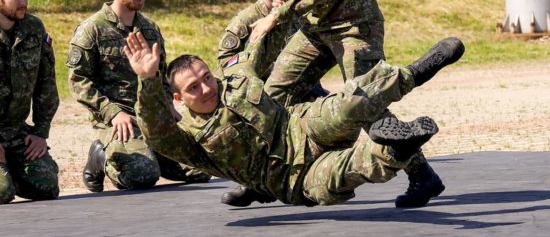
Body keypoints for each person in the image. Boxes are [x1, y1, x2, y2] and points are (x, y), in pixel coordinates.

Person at [251, 0, 443, 208]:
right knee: (274, 95)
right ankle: (266, 176)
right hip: (317, 30)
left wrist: (275, 16)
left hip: (354, 27)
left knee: (364, 100)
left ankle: (421, 175)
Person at [126, 30, 464, 207]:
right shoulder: (189, 141)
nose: (206, 88)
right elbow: (155, 130)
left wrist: (282, 0)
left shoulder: (238, 79)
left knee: (348, 104)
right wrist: (146, 79)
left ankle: (415, 72)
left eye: (206, 77)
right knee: (344, 171)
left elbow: (261, 42)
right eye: (193, 87)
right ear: (178, 98)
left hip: (300, 125)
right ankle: (397, 149)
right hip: (294, 178)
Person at [67, 0, 210, 192]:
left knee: (202, 169)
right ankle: (101, 155)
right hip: (118, 122)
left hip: (150, 118)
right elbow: (78, 81)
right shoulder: (92, 29)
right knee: (141, 175)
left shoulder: (149, 29)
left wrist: (166, 106)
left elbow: (161, 75)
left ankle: (148, 152)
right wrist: (113, 113)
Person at [216, 0, 330, 206]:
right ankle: (255, 182)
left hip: (306, 89)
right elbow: (227, 63)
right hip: (266, 95)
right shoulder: (245, 21)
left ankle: (305, 180)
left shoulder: (298, 14)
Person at [0, 0, 59, 204]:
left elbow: (47, 84)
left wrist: (40, 133)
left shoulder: (34, 29)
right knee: (2, 192)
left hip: (16, 132)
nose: (23, 1)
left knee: (46, 186)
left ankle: (9, 172)